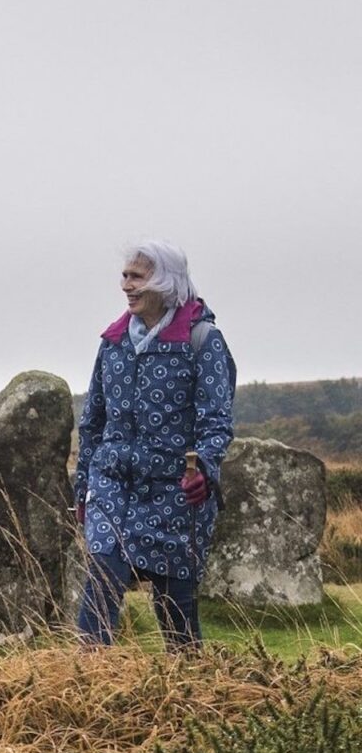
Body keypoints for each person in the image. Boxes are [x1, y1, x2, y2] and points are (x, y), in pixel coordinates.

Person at [74, 241, 235, 650]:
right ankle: (83, 690)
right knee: (101, 583)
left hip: (175, 495)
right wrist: (83, 490)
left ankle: (189, 697)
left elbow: (216, 423)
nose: (125, 284)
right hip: (112, 485)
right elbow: (93, 422)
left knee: (176, 613)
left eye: (136, 276)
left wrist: (205, 470)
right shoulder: (112, 343)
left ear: (165, 282)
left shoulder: (202, 341)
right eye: (125, 275)